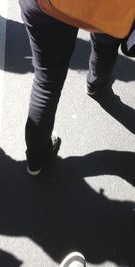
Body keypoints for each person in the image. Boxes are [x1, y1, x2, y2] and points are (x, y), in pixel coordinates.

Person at [19, 0, 124, 176]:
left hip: (45, 5)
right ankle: (96, 84)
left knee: (47, 82)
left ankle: (36, 158)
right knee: (105, 44)